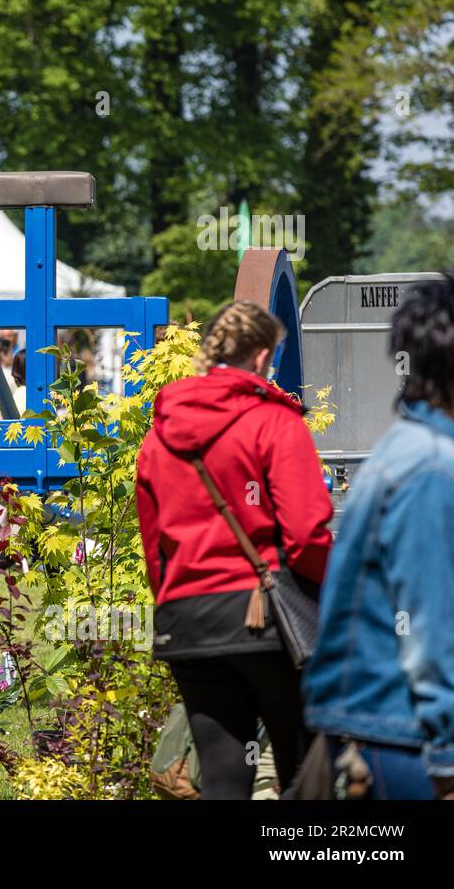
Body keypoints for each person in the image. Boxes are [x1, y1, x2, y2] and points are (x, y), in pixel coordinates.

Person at [135, 300, 333, 799]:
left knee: (224, 776)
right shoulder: (274, 422)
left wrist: (175, 601)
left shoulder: (159, 435)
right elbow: (307, 534)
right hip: (264, 620)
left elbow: (154, 543)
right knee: (305, 769)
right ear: (264, 355)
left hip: (188, 622)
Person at [303, 272, 454, 800]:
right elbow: (432, 627)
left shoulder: (405, 452)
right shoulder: (432, 469)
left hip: (385, 727)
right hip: (411, 740)